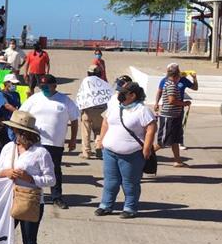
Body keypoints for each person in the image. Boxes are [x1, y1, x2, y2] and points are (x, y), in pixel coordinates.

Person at [0, 111, 56, 244]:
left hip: (30, 201)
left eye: (16, 130)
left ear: (26, 133)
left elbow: (51, 180)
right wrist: (6, 172)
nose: (13, 133)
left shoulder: (41, 153)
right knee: (1, 238)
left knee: (29, 242)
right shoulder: (8, 148)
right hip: (8, 199)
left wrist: (31, 178)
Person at [95, 83, 156, 219]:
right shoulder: (115, 107)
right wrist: (101, 141)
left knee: (130, 182)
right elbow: (106, 122)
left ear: (133, 95)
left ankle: (130, 207)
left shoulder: (142, 110)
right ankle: (106, 205)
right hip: (109, 151)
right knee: (110, 181)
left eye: (123, 92)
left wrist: (146, 148)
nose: (119, 94)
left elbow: (151, 128)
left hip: (131, 155)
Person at [20, 74, 79, 209]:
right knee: (31, 168)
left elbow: (74, 120)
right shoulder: (34, 99)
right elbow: (22, 114)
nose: (44, 89)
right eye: (41, 86)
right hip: (34, 142)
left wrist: (73, 139)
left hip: (55, 143)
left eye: (46, 86)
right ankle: (30, 193)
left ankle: (56, 197)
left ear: (54, 86)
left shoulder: (65, 101)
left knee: (55, 170)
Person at [154, 63, 195, 166]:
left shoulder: (170, 83)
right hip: (169, 117)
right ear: (176, 76)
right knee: (162, 141)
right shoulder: (171, 85)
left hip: (174, 116)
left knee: (175, 140)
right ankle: (143, 155)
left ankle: (178, 161)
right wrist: (184, 103)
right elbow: (171, 100)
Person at [0, 73, 22, 174]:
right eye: (12, 83)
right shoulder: (0, 94)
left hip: (14, 124)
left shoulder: (16, 94)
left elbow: (19, 106)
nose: (14, 86)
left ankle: (0, 166)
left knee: (9, 146)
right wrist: (16, 112)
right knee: (3, 146)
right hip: (4, 125)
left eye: (16, 84)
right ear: (6, 84)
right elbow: (5, 105)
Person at [79, 65, 107, 160]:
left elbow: (81, 96)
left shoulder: (85, 83)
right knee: (98, 130)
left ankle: (86, 152)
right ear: (100, 74)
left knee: (86, 132)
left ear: (88, 73)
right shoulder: (103, 83)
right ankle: (98, 146)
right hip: (101, 111)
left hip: (88, 111)